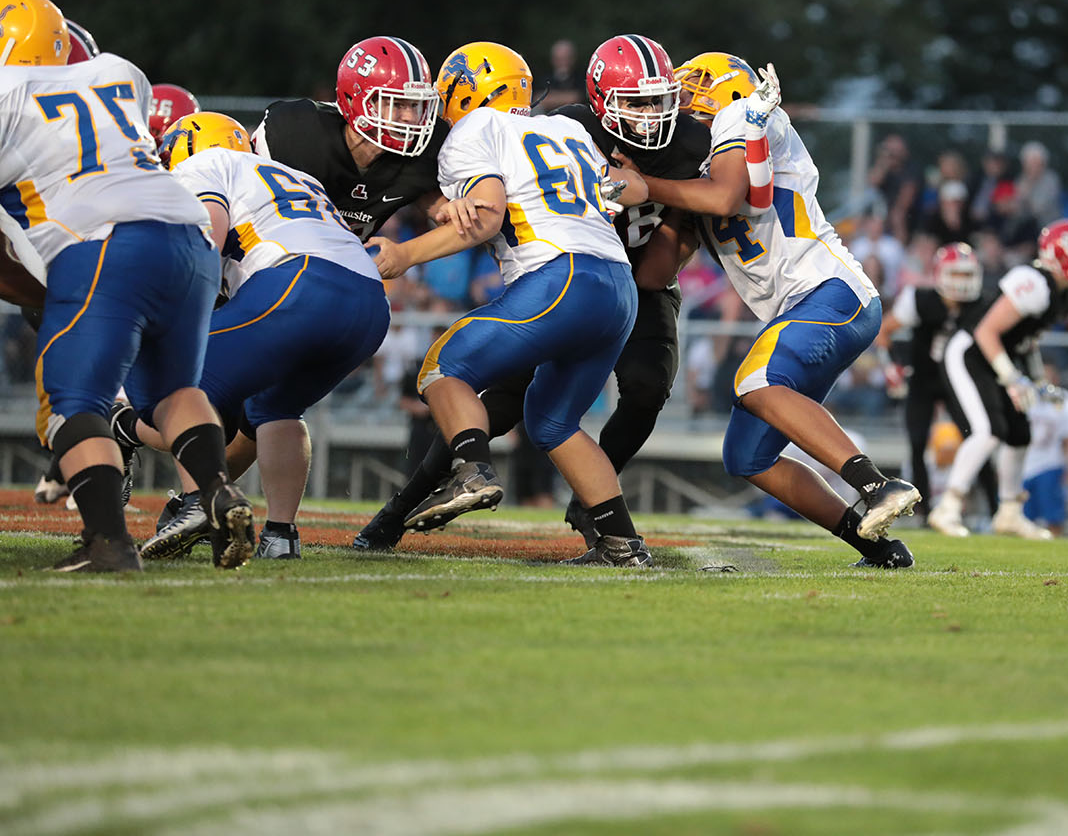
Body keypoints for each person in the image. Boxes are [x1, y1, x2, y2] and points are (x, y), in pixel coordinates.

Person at [352, 34, 710, 555]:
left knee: (441, 368)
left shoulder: (474, 127)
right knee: (553, 421)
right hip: (618, 288)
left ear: (462, 94)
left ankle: (472, 470)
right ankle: (622, 544)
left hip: (558, 276)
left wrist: (405, 256)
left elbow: (486, 216)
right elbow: (618, 195)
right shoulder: (565, 128)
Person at [621, 55, 919, 568]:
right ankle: (878, 548)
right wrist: (663, 201)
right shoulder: (701, 169)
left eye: (693, 90)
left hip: (830, 290)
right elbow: (654, 275)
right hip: (801, 307)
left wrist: (650, 185)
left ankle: (877, 485)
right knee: (747, 456)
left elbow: (729, 195)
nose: (681, 103)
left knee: (754, 381)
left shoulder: (745, 116)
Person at [0, 0, 251, 571]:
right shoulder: (118, 74)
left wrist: (43, 292)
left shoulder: (7, 97)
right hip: (189, 240)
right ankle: (216, 490)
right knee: (174, 394)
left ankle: (110, 543)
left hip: (105, 243)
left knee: (72, 404)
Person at [117, 112, 390, 560]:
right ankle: (281, 536)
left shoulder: (202, 166)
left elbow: (207, 236)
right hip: (369, 302)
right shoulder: (292, 175)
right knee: (276, 407)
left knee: (179, 383)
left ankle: (195, 502)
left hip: (299, 281)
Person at [930, 218, 1068, 539]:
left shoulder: (1064, 297)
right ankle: (948, 506)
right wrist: (1012, 378)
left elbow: (1027, 340)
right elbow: (986, 331)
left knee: (1019, 433)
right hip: (970, 350)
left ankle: (1009, 512)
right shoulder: (1034, 282)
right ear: (1061, 255)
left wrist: (1036, 378)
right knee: (988, 431)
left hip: (996, 356)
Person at [251, 35, 449, 240]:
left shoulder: (425, 151)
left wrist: (406, 255)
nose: (409, 117)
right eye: (397, 104)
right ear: (353, 99)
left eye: (415, 105)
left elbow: (447, 214)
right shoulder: (298, 133)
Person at [874, 242, 1001, 531]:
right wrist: (892, 366)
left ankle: (996, 511)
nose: (961, 282)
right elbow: (884, 331)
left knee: (977, 439)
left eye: (967, 275)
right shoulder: (920, 299)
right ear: (940, 274)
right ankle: (924, 512)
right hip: (924, 377)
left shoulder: (984, 304)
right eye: (955, 274)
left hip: (963, 381)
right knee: (917, 441)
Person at [1020, 360, 1068, 537]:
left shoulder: (1065, 400)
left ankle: (1053, 553)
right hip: (1022, 466)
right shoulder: (1024, 397)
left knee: (1053, 518)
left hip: (1050, 465)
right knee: (1020, 519)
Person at [536, 38, 582, 112]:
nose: (562, 62)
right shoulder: (545, 78)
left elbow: (576, 97)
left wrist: (551, 98)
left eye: (566, 58)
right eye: (559, 59)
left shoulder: (580, 78)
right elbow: (538, 99)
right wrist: (565, 97)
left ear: (573, 59)